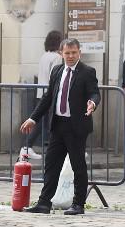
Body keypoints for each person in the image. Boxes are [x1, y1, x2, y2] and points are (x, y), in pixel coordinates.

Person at [19, 38, 99, 215]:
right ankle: (44, 203)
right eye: (67, 53)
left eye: (74, 53)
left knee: (78, 165)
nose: (70, 56)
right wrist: (34, 118)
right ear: (61, 53)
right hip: (58, 124)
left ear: (79, 53)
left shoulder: (87, 72)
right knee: (51, 165)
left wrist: (92, 103)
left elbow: (94, 92)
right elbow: (48, 98)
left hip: (77, 126)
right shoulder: (57, 70)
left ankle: (78, 204)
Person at [22, 31, 63, 160]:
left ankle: (27, 147)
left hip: (41, 91)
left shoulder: (44, 56)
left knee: (41, 122)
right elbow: (55, 75)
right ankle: (28, 147)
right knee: (48, 122)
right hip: (50, 93)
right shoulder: (57, 57)